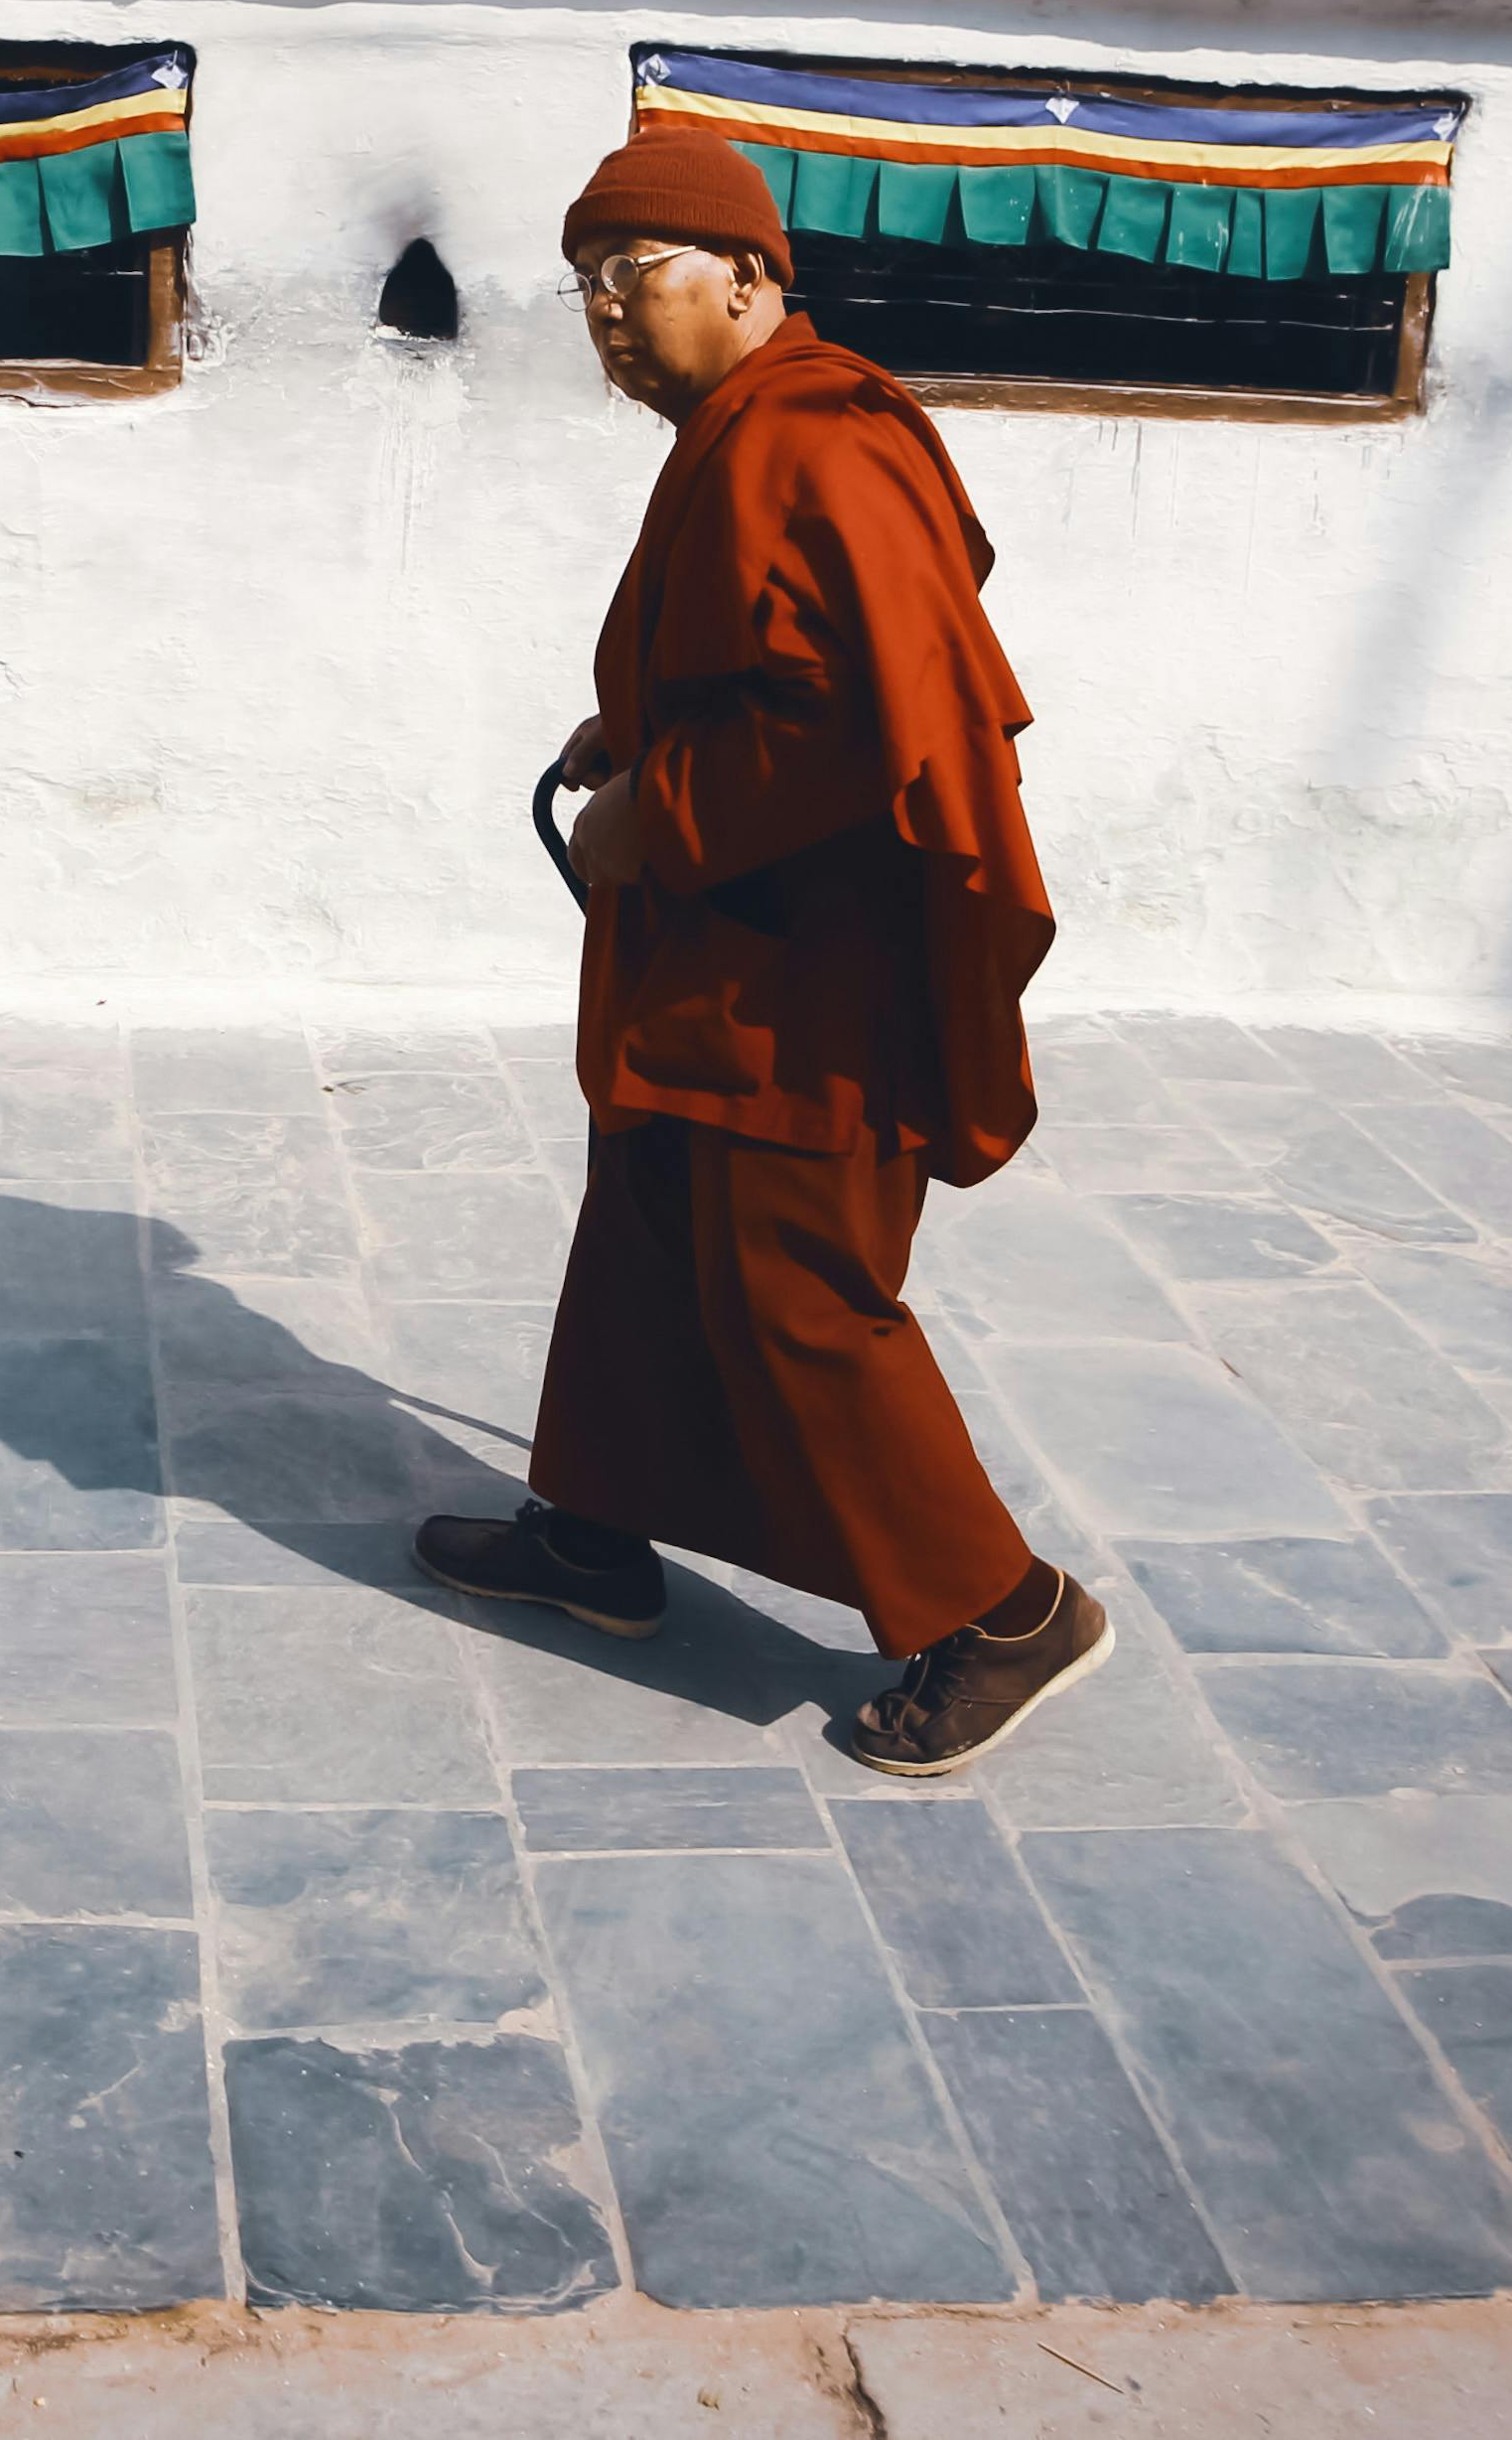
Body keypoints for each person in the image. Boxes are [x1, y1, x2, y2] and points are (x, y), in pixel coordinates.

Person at [414, 131, 1107, 1777]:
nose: (604, 310)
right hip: (721, 952)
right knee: (648, 1230)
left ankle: (1001, 1610)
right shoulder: (736, 432)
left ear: (748, 276)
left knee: (798, 1285)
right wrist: (637, 727)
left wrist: (661, 813)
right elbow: (769, 650)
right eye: (584, 280)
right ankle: (592, 1532)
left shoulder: (820, 442)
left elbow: (869, 710)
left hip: (813, 969)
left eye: (634, 271)